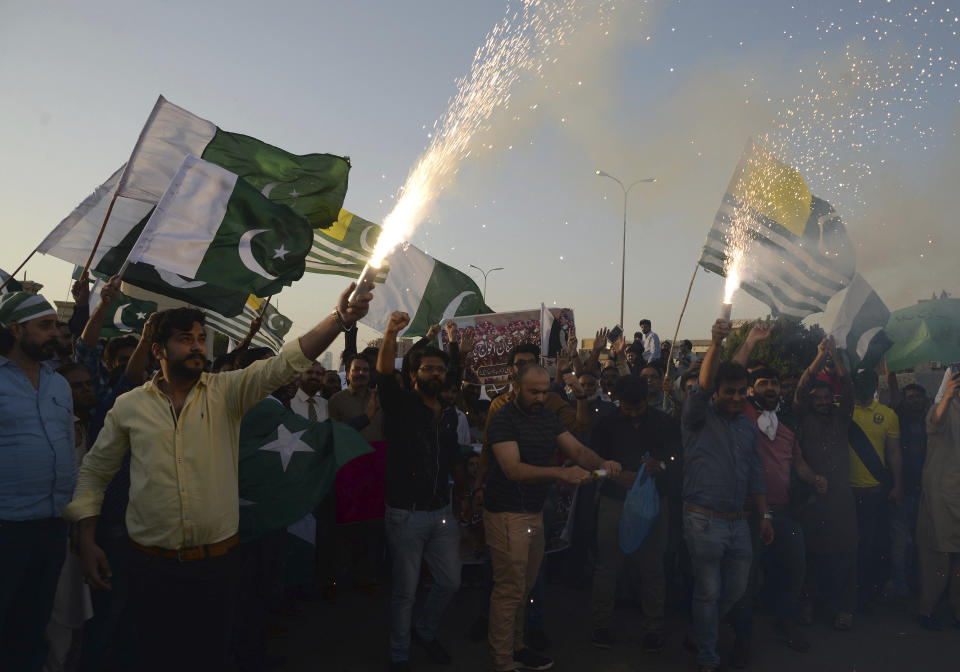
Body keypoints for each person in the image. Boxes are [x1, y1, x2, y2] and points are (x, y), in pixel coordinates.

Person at [64, 282, 372, 672]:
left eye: (200, 339)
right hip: (149, 566)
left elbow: (283, 364)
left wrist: (339, 319)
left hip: (217, 566)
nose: (197, 346)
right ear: (158, 351)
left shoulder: (227, 392)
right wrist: (87, 538)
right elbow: (94, 472)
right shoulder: (129, 407)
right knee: (151, 654)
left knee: (210, 655)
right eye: (184, 340)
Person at [485, 363, 622, 672]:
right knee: (509, 590)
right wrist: (561, 473)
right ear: (515, 387)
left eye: (545, 392)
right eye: (534, 391)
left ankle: (517, 648)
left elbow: (577, 449)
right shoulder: (503, 418)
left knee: (525, 587)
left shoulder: (546, 416)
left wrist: (604, 463)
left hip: (532, 513)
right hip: (506, 513)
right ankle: (502, 660)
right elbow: (512, 469)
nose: (540, 398)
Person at [376, 311, 470, 672]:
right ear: (413, 375)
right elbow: (384, 375)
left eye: (439, 369)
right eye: (428, 368)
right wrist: (390, 332)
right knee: (406, 592)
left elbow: (454, 460)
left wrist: (463, 496)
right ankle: (400, 656)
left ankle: (425, 631)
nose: (435, 374)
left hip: (441, 513)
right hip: (405, 515)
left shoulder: (448, 413)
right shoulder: (400, 406)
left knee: (450, 582)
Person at [681, 318, 772, 672]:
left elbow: (756, 476)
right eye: (728, 392)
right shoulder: (696, 418)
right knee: (708, 593)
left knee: (734, 591)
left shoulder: (748, 427)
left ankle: (700, 633)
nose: (736, 397)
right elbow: (704, 384)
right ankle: (707, 657)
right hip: (703, 521)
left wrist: (765, 516)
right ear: (715, 393)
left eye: (740, 392)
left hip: (739, 524)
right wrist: (716, 344)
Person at [729, 366, 825, 665]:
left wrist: (814, 478)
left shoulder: (786, 424)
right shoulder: (742, 415)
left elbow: (798, 463)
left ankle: (786, 623)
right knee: (745, 582)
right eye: (763, 383)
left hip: (783, 513)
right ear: (751, 389)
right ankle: (742, 640)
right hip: (748, 515)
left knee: (794, 570)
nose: (770, 387)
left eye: (773, 382)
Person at [0, 292, 76, 672]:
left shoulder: (59, 384)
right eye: (45, 326)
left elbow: (67, 442)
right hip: (6, 528)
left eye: (55, 325)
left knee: (33, 627)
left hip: (52, 528)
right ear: (16, 329)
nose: (54, 334)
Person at [589, 375, 678, 652]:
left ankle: (653, 627)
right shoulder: (606, 424)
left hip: (653, 504)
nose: (632, 414)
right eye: (626, 409)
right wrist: (613, 474)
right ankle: (601, 624)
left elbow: (677, 461)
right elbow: (592, 465)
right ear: (618, 402)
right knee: (607, 564)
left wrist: (660, 466)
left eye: (637, 408)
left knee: (653, 565)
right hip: (615, 501)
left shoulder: (664, 422)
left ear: (647, 400)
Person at [793, 338, 858, 631]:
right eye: (817, 397)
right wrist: (820, 357)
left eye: (826, 398)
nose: (821, 401)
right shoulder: (803, 415)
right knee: (811, 554)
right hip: (810, 497)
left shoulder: (841, 418)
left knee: (843, 555)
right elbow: (801, 388)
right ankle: (807, 605)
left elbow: (849, 389)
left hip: (841, 499)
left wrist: (835, 358)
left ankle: (842, 608)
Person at [848, 368, 902, 611]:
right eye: (859, 381)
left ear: (874, 384)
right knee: (851, 547)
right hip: (846, 493)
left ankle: (871, 592)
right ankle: (852, 595)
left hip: (875, 492)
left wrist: (898, 485)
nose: (863, 385)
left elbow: (893, 453)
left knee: (875, 546)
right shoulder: (843, 412)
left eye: (868, 380)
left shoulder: (888, 415)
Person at [915, 368, 960, 630]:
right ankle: (926, 610)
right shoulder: (942, 407)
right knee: (938, 556)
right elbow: (936, 421)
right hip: (942, 496)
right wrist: (948, 396)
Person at [886, 368, 929, 603]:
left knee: (921, 543)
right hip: (902, 491)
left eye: (917, 397)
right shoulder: (898, 418)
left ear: (925, 400)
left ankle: (918, 587)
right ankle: (901, 590)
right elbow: (893, 390)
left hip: (926, 494)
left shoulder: (932, 420)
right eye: (909, 397)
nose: (914, 400)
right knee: (901, 544)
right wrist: (890, 369)